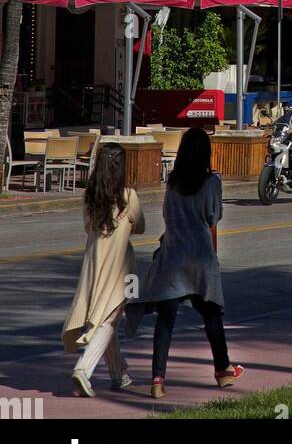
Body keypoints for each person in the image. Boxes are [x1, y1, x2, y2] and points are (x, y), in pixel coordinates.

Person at [126, 126, 242, 399]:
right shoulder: (212, 182)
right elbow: (213, 218)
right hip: (200, 258)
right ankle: (223, 370)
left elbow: (167, 216)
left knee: (165, 321)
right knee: (212, 315)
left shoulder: (173, 183)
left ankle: (157, 379)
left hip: (172, 257)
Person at [62, 141, 144, 398]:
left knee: (106, 318)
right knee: (109, 319)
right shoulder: (128, 196)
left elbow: (88, 229)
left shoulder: (90, 197)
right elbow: (140, 226)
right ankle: (84, 369)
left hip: (94, 265)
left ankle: (119, 373)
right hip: (123, 268)